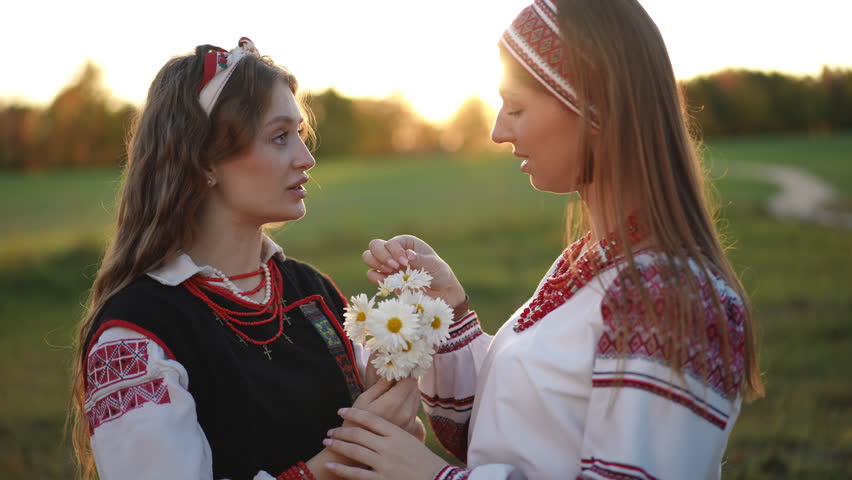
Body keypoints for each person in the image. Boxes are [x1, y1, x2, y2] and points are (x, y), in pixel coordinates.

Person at [320, 1, 764, 479]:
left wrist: (432, 477)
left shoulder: (668, 296)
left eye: (516, 107)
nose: (496, 131)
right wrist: (447, 310)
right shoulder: (593, 263)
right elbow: (503, 434)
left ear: (593, 108)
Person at [68, 37, 422, 480]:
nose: (306, 158)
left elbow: (394, 443)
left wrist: (397, 407)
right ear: (204, 161)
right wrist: (341, 462)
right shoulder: (137, 335)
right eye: (279, 137)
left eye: (300, 134)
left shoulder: (313, 294)